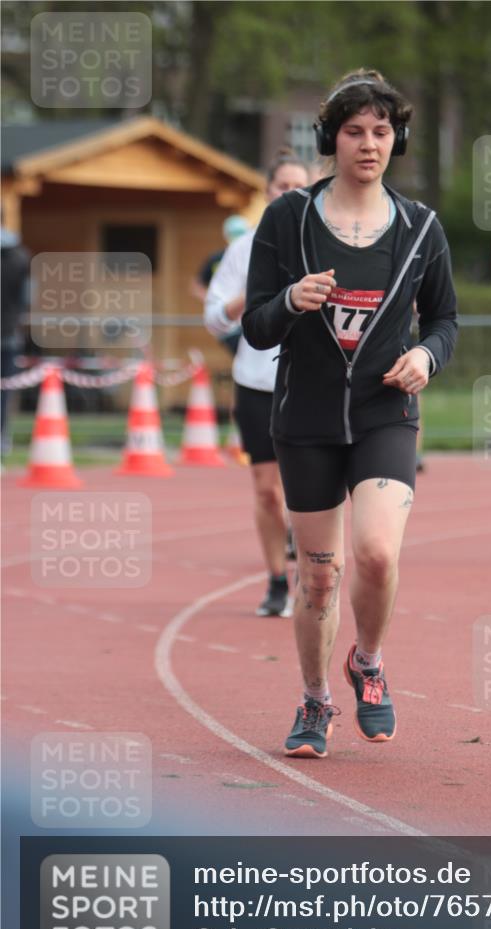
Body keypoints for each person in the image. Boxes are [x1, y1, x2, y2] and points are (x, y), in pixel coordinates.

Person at [242, 70, 458, 758]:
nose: (368, 144)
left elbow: (446, 320)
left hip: (384, 412)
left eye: (381, 132)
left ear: (396, 141)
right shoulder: (288, 219)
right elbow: (254, 325)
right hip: (304, 414)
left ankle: (367, 661)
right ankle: (313, 699)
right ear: (329, 139)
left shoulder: (420, 226)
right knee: (318, 574)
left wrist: (426, 356)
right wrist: (289, 301)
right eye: (354, 131)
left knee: (375, 553)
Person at [205, 149, 309, 616]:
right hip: (255, 380)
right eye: (282, 186)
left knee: (308, 489)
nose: (290, 193)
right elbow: (212, 316)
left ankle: (312, 575)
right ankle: (276, 582)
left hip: (309, 381)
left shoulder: (321, 243)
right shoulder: (244, 248)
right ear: (267, 192)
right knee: (267, 489)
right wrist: (250, 299)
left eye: (298, 186)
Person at [1, 220, 30, 457]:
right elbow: (29, 296)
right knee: (4, 389)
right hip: (9, 334)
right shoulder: (20, 256)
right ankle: (1, 438)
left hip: (8, 333)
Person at [191, 214, 250, 305]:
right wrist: (211, 301)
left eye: (240, 233)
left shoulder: (250, 259)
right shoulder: (216, 259)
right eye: (234, 233)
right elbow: (196, 286)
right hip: (221, 312)